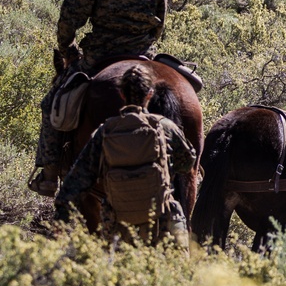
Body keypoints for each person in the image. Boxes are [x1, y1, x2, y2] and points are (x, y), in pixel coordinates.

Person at [30, 0, 169, 195]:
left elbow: (69, 17)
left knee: (52, 104)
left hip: (99, 57)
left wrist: (68, 49)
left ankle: (48, 175)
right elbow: (158, 28)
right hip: (143, 57)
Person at [53, 63, 195, 246]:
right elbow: (188, 163)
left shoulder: (104, 133)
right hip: (162, 224)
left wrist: (60, 219)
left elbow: (76, 182)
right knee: (179, 269)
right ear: (150, 94)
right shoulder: (166, 127)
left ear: (121, 94)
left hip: (119, 229)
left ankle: (47, 170)